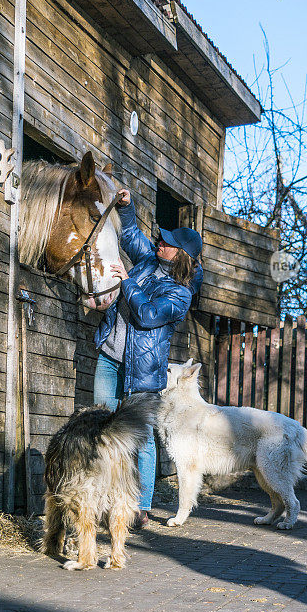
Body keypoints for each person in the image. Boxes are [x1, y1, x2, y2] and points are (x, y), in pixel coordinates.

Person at [93, 187, 204, 529]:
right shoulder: (148, 260)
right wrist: (127, 208)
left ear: (180, 255)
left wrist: (126, 283)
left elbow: (147, 315)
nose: (159, 242)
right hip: (111, 357)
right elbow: (130, 236)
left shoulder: (181, 293)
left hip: (142, 372)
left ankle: (140, 506)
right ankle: (104, 498)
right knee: (101, 428)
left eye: (167, 242)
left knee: (140, 438)